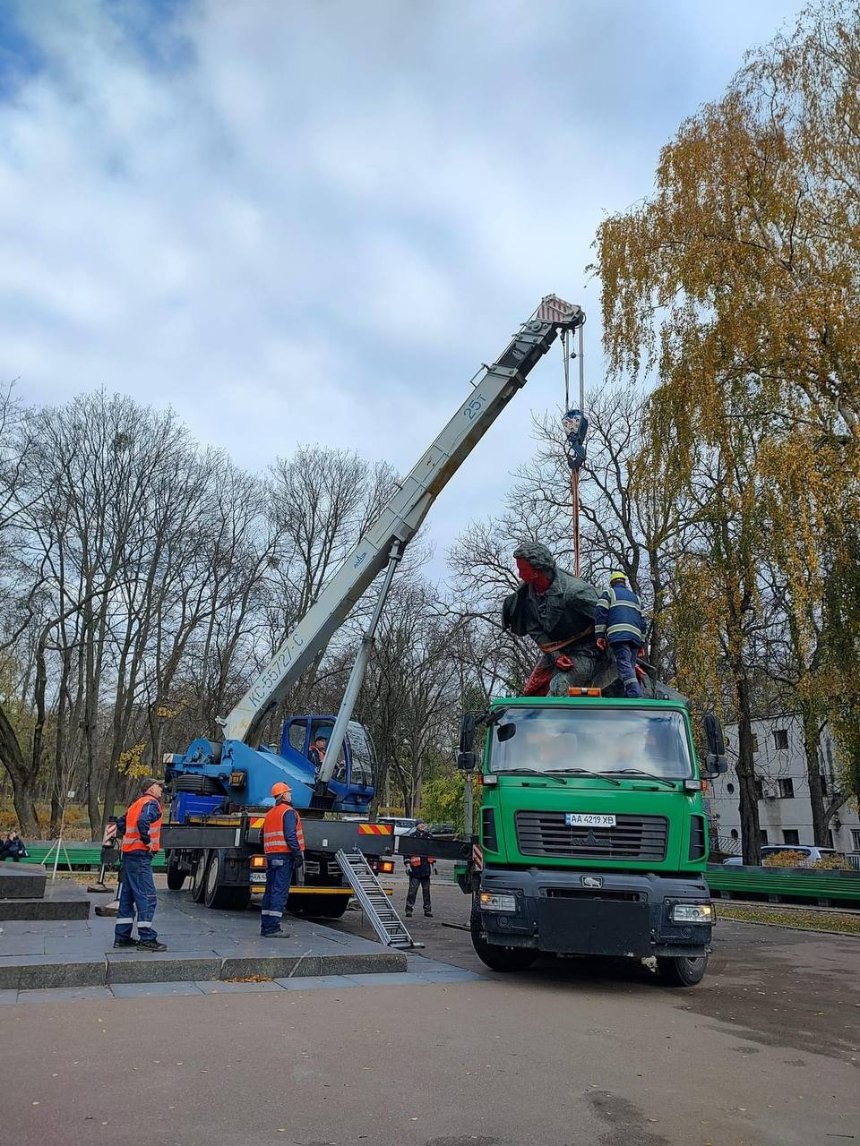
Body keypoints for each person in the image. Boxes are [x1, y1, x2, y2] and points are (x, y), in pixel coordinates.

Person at [114, 777, 167, 952]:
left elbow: (121, 823)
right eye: (158, 786)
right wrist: (147, 841)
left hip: (129, 854)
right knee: (147, 896)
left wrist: (127, 840)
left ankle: (122, 937)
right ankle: (147, 937)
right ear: (150, 788)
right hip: (140, 855)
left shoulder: (136, 804)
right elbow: (143, 821)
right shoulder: (152, 803)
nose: (161, 789)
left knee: (127, 897)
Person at [260, 781, 305, 937]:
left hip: (271, 856)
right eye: (289, 792)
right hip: (284, 856)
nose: (291, 795)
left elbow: (261, 836)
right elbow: (290, 835)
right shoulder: (289, 812)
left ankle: (266, 926)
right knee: (280, 892)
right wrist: (297, 854)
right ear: (284, 795)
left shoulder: (270, 814)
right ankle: (273, 928)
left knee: (270, 891)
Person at [594, 571, 645, 699]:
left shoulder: (609, 593)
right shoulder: (636, 598)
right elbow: (643, 622)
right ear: (624, 582)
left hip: (619, 634)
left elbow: (601, 613)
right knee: (630, 666)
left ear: (612, 583)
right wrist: (642, 644)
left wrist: (599, 635)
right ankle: (627, 694)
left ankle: (634, 693)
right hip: (635, 637)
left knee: (624, 664)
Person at [404, 821, 435, 919]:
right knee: (412, 891)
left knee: (426, 891)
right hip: (415, 870)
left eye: (423, 824)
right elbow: (407, 851)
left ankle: (428, 910)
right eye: (420, 824)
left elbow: (433, 851)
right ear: (416, 826)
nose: (422, 826)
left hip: (425, 870)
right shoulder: (412, 837)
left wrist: (434, 866)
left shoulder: (428, 837)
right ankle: (409, 909)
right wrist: (407, 865)